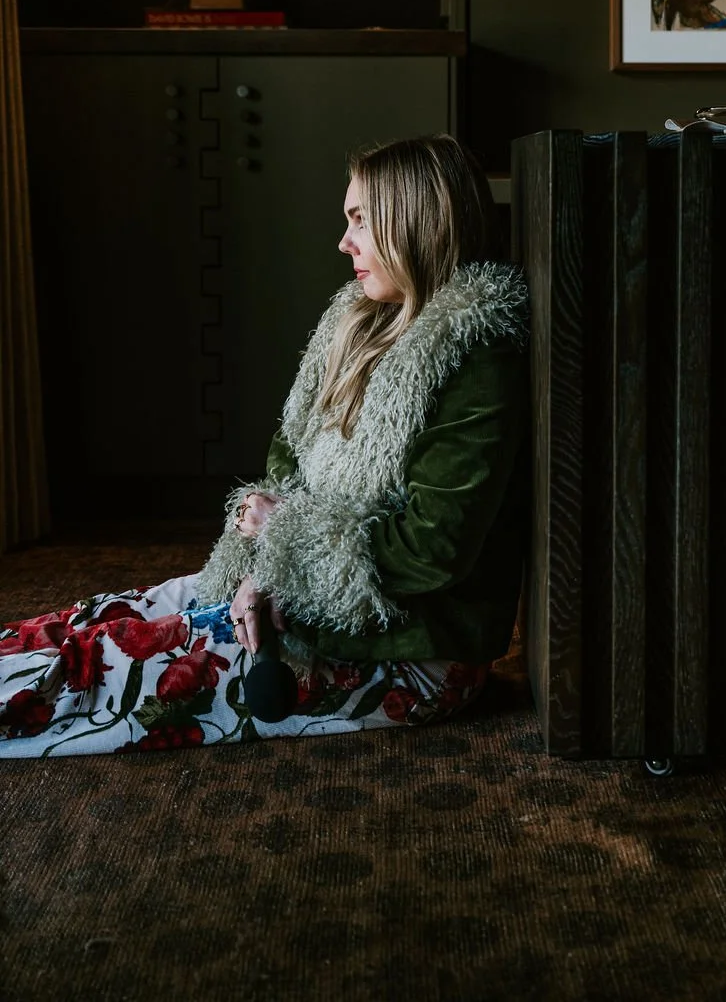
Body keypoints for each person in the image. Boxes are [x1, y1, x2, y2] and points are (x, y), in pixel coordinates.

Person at [0, 135, 530, 757]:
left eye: (360, 219)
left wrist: (286, 543)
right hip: (301, 597)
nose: (345, 242)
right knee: (89, 620)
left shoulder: (475, 353)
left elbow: (432, 550)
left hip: (409, 653)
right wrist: (264, 566)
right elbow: (289, 456)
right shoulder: (358, 323)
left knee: (80, 675)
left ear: (413, 220)